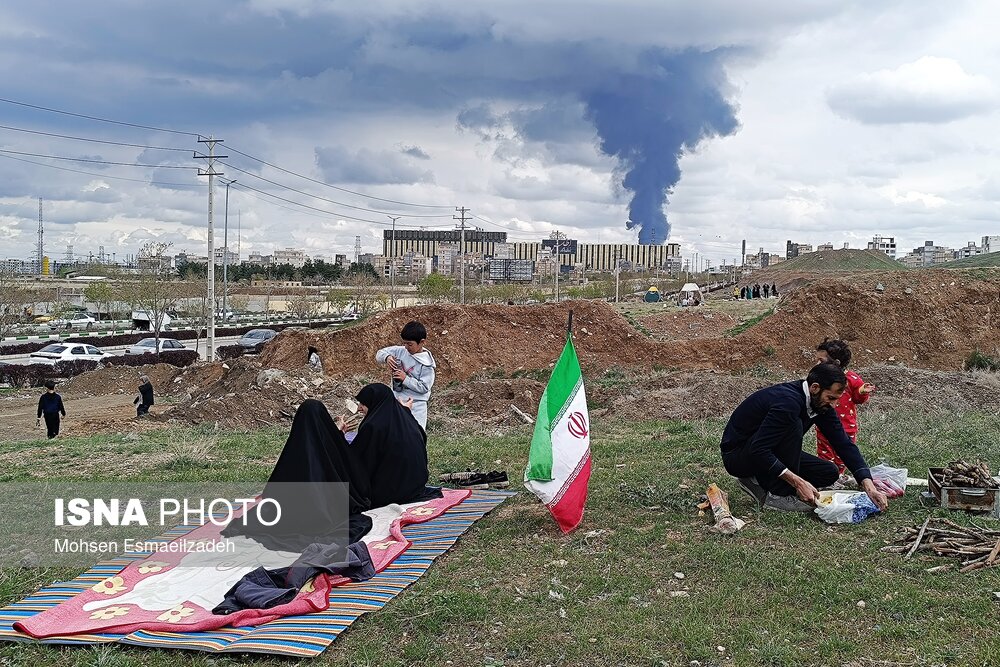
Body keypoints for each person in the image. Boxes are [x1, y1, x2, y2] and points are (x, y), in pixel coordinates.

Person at [224, 384, 439, 549]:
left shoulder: (293, 453)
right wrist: (338, 437)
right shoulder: (405, 419)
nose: (360, 408)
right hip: (412, 486)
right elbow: (350, 465)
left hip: (287, 516)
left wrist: (338, 435)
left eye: (363, 403)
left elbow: (353, 459)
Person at [719, 363, 888, 513]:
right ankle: (778, 495)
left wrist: (868, 485)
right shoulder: (788, 403)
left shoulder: (821, 405)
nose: (834, 405)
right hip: (739, 456)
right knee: (794, 425)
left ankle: (757, 480)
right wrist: (798, 482)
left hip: (767, 450)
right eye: (831, 398)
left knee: (829, 473)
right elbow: (758, 449)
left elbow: (843, 444)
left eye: (837, 400)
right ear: (815, 388)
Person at [813, 339, 874, 476]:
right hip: (824, 424)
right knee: (824, 453)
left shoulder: (851, 379)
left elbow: (858, 399)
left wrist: (862, 392)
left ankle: (838, 475)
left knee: (842, 455)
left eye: (821, 361)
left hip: (846, 426)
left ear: (836, 363)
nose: (817, 364)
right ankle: (825, 475)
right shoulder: (821, 377)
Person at [375, 321, 436, 430]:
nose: (406, 347)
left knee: (414, 434)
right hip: (397, 401)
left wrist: (405, 379)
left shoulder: (427, 364)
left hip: (416, 406)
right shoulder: (400, 351)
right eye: (405, 343)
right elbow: (379, 353)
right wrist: (387, 357)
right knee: (395, 434)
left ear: (422, 342)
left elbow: (424, 387)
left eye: (410, 344)